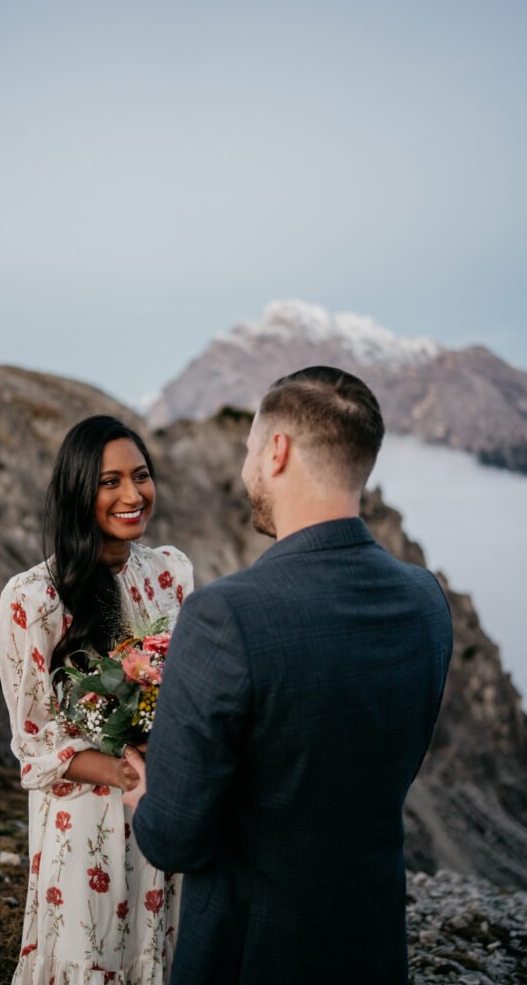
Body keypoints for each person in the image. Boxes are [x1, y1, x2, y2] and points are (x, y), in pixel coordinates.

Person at [123, 367, 453, 985]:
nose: (247, 467)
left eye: (250, 448)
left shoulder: (225, 615)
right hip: (373, 949)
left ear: (276, 452)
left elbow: (174, 841)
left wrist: (145, 793)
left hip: (251, 956)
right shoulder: (425, 600)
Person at [0, 414, 193, 985]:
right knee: (94, 952)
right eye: (110, 481)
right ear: (79, 490)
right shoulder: (33, 599)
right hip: (85, 824)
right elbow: (34, 745)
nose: (133, 495)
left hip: (160, 807)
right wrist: (128, 775)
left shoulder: (171, 574)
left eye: (142, 475)